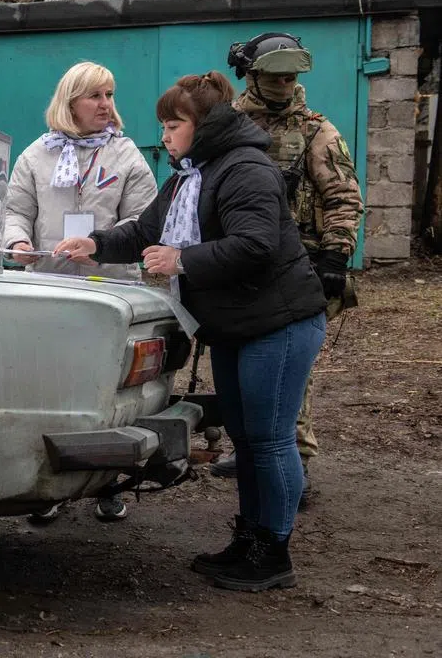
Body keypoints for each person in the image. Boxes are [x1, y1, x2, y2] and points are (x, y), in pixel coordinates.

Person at [55, 72, 327, 591]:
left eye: (173, 124)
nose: (166, 135)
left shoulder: (246, 169)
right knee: (247, 441)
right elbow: (144, 230)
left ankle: (274, 552)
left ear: (203, 126)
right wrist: (94, 244)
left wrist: (182, 259)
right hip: (234, 325)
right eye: (163, 124)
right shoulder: (189, 175)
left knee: (269, 440)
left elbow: (256, 245)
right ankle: (250, 539)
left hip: (278, 324)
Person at [209, 33, 364, 508]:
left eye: (290, 77)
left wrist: (336, 256)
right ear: (252, 74)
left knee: (287, 373)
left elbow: (343, 196)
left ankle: (292, 460)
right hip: (240, 263)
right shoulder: (227, 124)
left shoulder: (318, 132)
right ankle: (252, 451)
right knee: (240, 361)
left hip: (299, 268)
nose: (282, 84)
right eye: (274, 76)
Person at [3, 61, 158, 523]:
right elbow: (15, 211)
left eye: (110, 96)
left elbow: (143, 222)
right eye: (96, 96)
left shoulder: (127, 156)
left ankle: (107, 484)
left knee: (108, 392)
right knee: (48, 389)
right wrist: (17, 243)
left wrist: (103, 248)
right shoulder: (36, 155)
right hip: (49, 289)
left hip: (110, 290)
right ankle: (48, 488)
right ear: (70, 102)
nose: (106, 106)